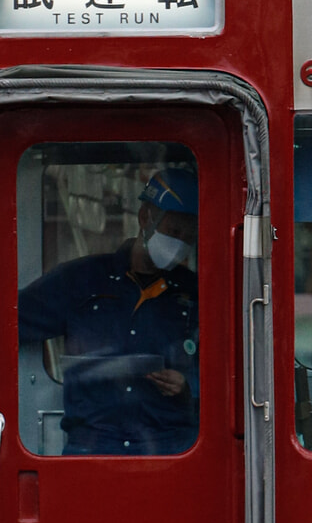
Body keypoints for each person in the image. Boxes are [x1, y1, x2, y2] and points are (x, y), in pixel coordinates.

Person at [18, 166, 199, 455]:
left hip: (171, 453)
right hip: (92, 450)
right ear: (145, 218)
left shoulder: (197, 294)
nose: (179, 244)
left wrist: (189, 387)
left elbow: (228, 371)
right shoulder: (81, 280)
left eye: (188, 236)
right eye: (174, 230)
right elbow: (6, 320)